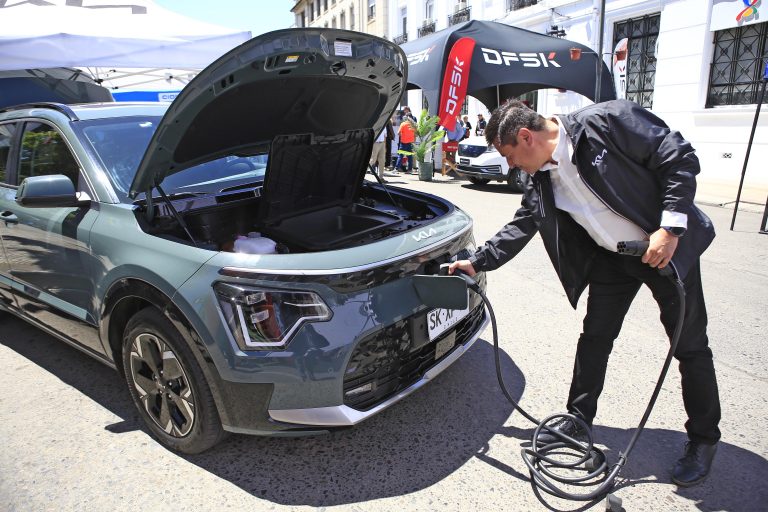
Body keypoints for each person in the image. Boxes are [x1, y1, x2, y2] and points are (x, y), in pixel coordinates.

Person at [449, 99, 720, 488]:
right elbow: (523, 223)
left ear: (526, 137)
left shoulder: (606, 122)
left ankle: (704, 440)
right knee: (594, 339)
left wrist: (670, 227)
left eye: (509, 155)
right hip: (614, 260)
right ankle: (578, 420)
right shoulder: (539, 176)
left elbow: (677, 157)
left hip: (664, 251)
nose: (511, 166)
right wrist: (478, 261)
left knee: (691, 348)